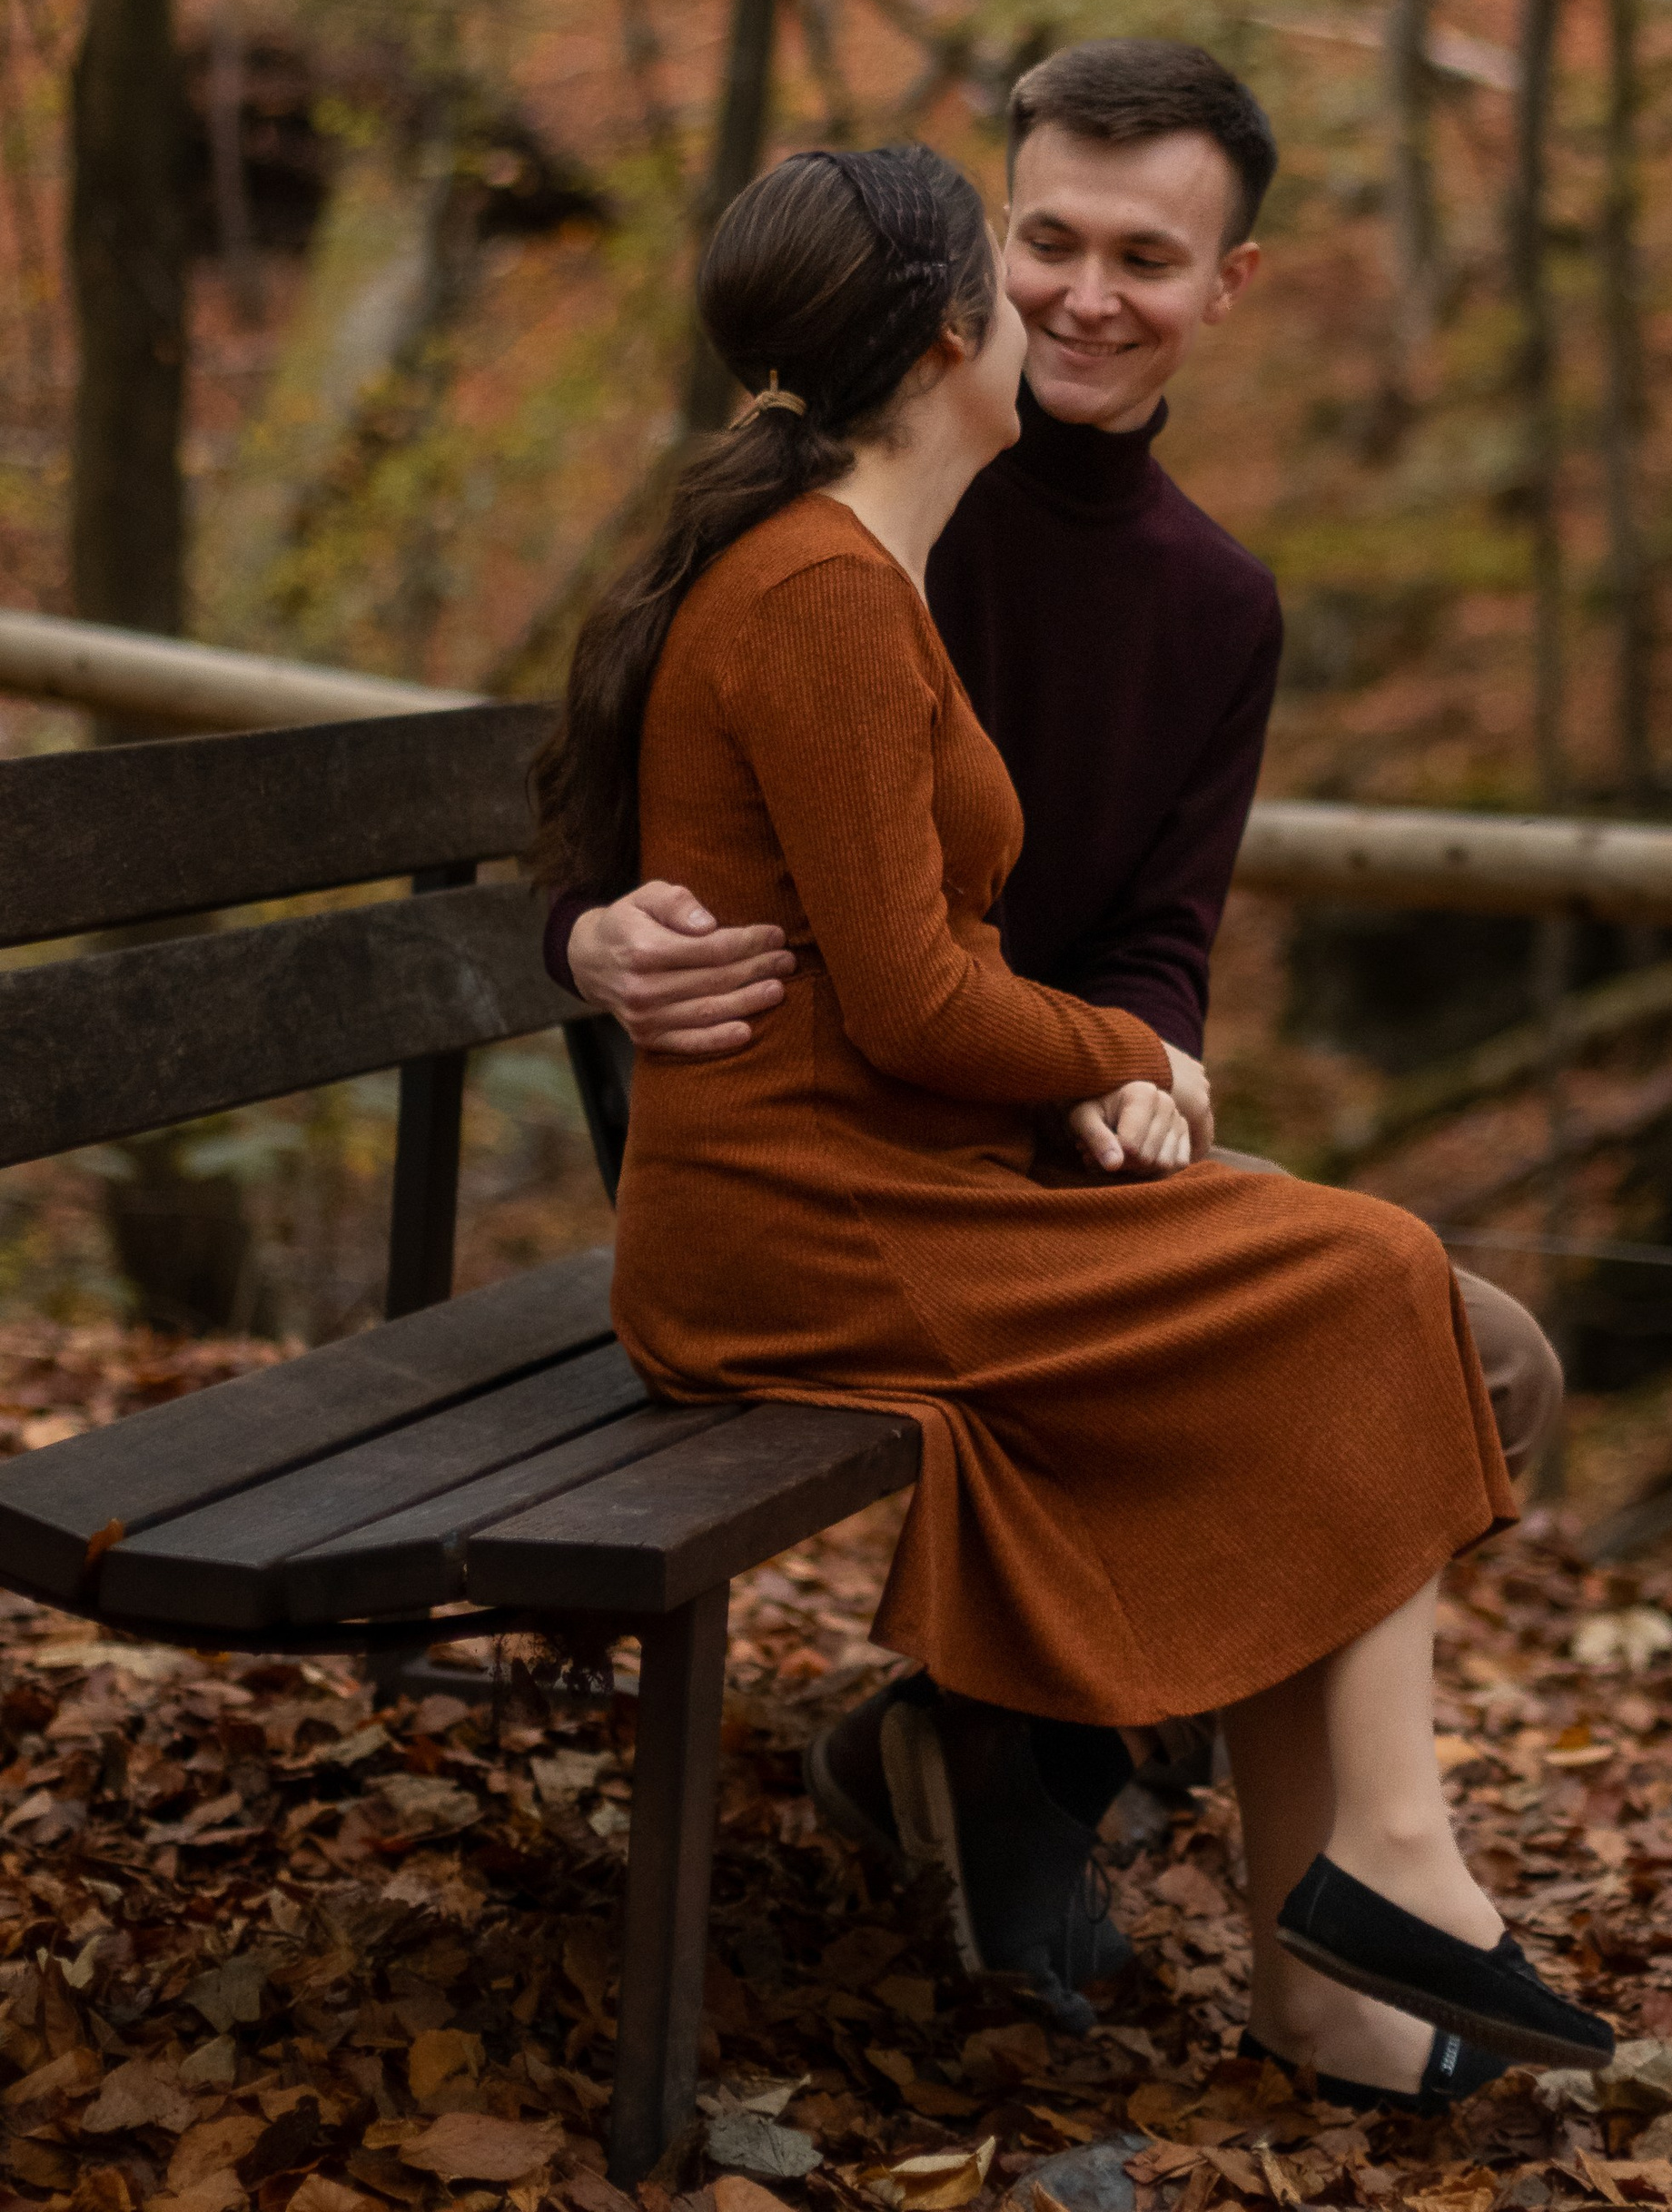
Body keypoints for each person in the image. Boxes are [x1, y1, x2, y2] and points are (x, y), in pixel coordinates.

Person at [531, 142, 1611, 2111]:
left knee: (1369, 1301)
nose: (1064, 307)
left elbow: (1005, 953)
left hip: (899, 1173)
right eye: (1029, 259)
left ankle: (1317, 1944)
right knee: (1366, 1276)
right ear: (958, 327)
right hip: (814, 1219)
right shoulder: (827, 586)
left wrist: (1119, 1057)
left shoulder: (881, 563)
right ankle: (1371, 1869)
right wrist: (1120, 1047)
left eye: (1140, 258)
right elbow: (909, 997)